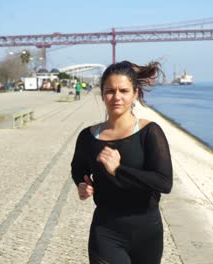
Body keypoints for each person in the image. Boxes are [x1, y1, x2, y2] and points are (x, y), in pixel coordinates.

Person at [71, 60, 173, 264]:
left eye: (123, 91)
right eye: (110, 91)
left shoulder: (150, 132)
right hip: (106, 230)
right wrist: (83, 184)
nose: (116, 97)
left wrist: (118, 170)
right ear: (102, 94)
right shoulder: (88, 137)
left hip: (147, 232)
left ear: (135, 93)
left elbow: (164, 182)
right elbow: (78, 169)